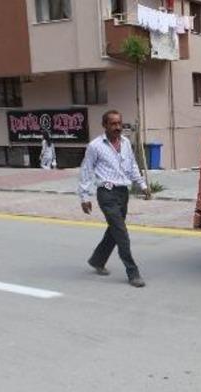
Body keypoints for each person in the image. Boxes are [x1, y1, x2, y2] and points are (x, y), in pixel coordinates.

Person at [78, 110, 151, 288]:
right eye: (113, 124)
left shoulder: (125, 142)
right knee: (121, 233)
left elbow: (132, 165)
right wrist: (84, 196)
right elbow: (86, 170)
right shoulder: (95, 146)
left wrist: (142, 185)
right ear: (105, 126)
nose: (117, 127)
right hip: (106, 193)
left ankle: (97, 260)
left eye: (119, 123)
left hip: (122, 193)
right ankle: (132, 272)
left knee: (114, 230)